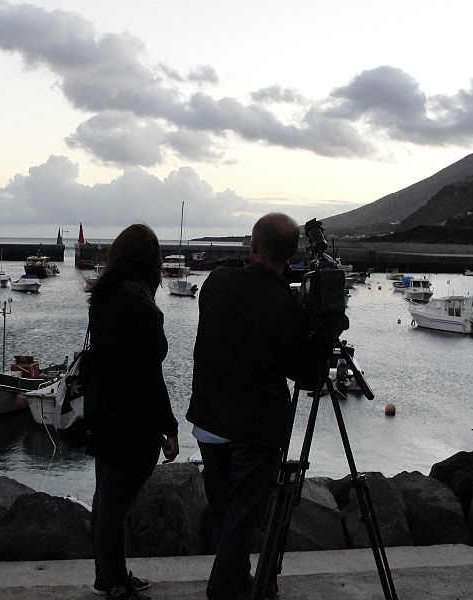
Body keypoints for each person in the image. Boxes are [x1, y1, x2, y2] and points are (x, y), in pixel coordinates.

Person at [186, 212, 310, 600]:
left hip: (208, 420)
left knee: (226, 513)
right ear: (290, 256)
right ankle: (224, 589)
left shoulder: (216, 283)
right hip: (256, 428)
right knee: (244, 516)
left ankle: (239, 583)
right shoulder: (284, 305)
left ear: (253, 246)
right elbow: (303, 374)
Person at [87, 223, 180, 600]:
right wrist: (169, 427)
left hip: (103, 417)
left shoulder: (102, 301)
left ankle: (106, 575)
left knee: (104, 500)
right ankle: (114, 583)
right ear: (151, 263)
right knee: (114, 507)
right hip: (133, 422)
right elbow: (148, 377)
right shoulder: (142, 309)